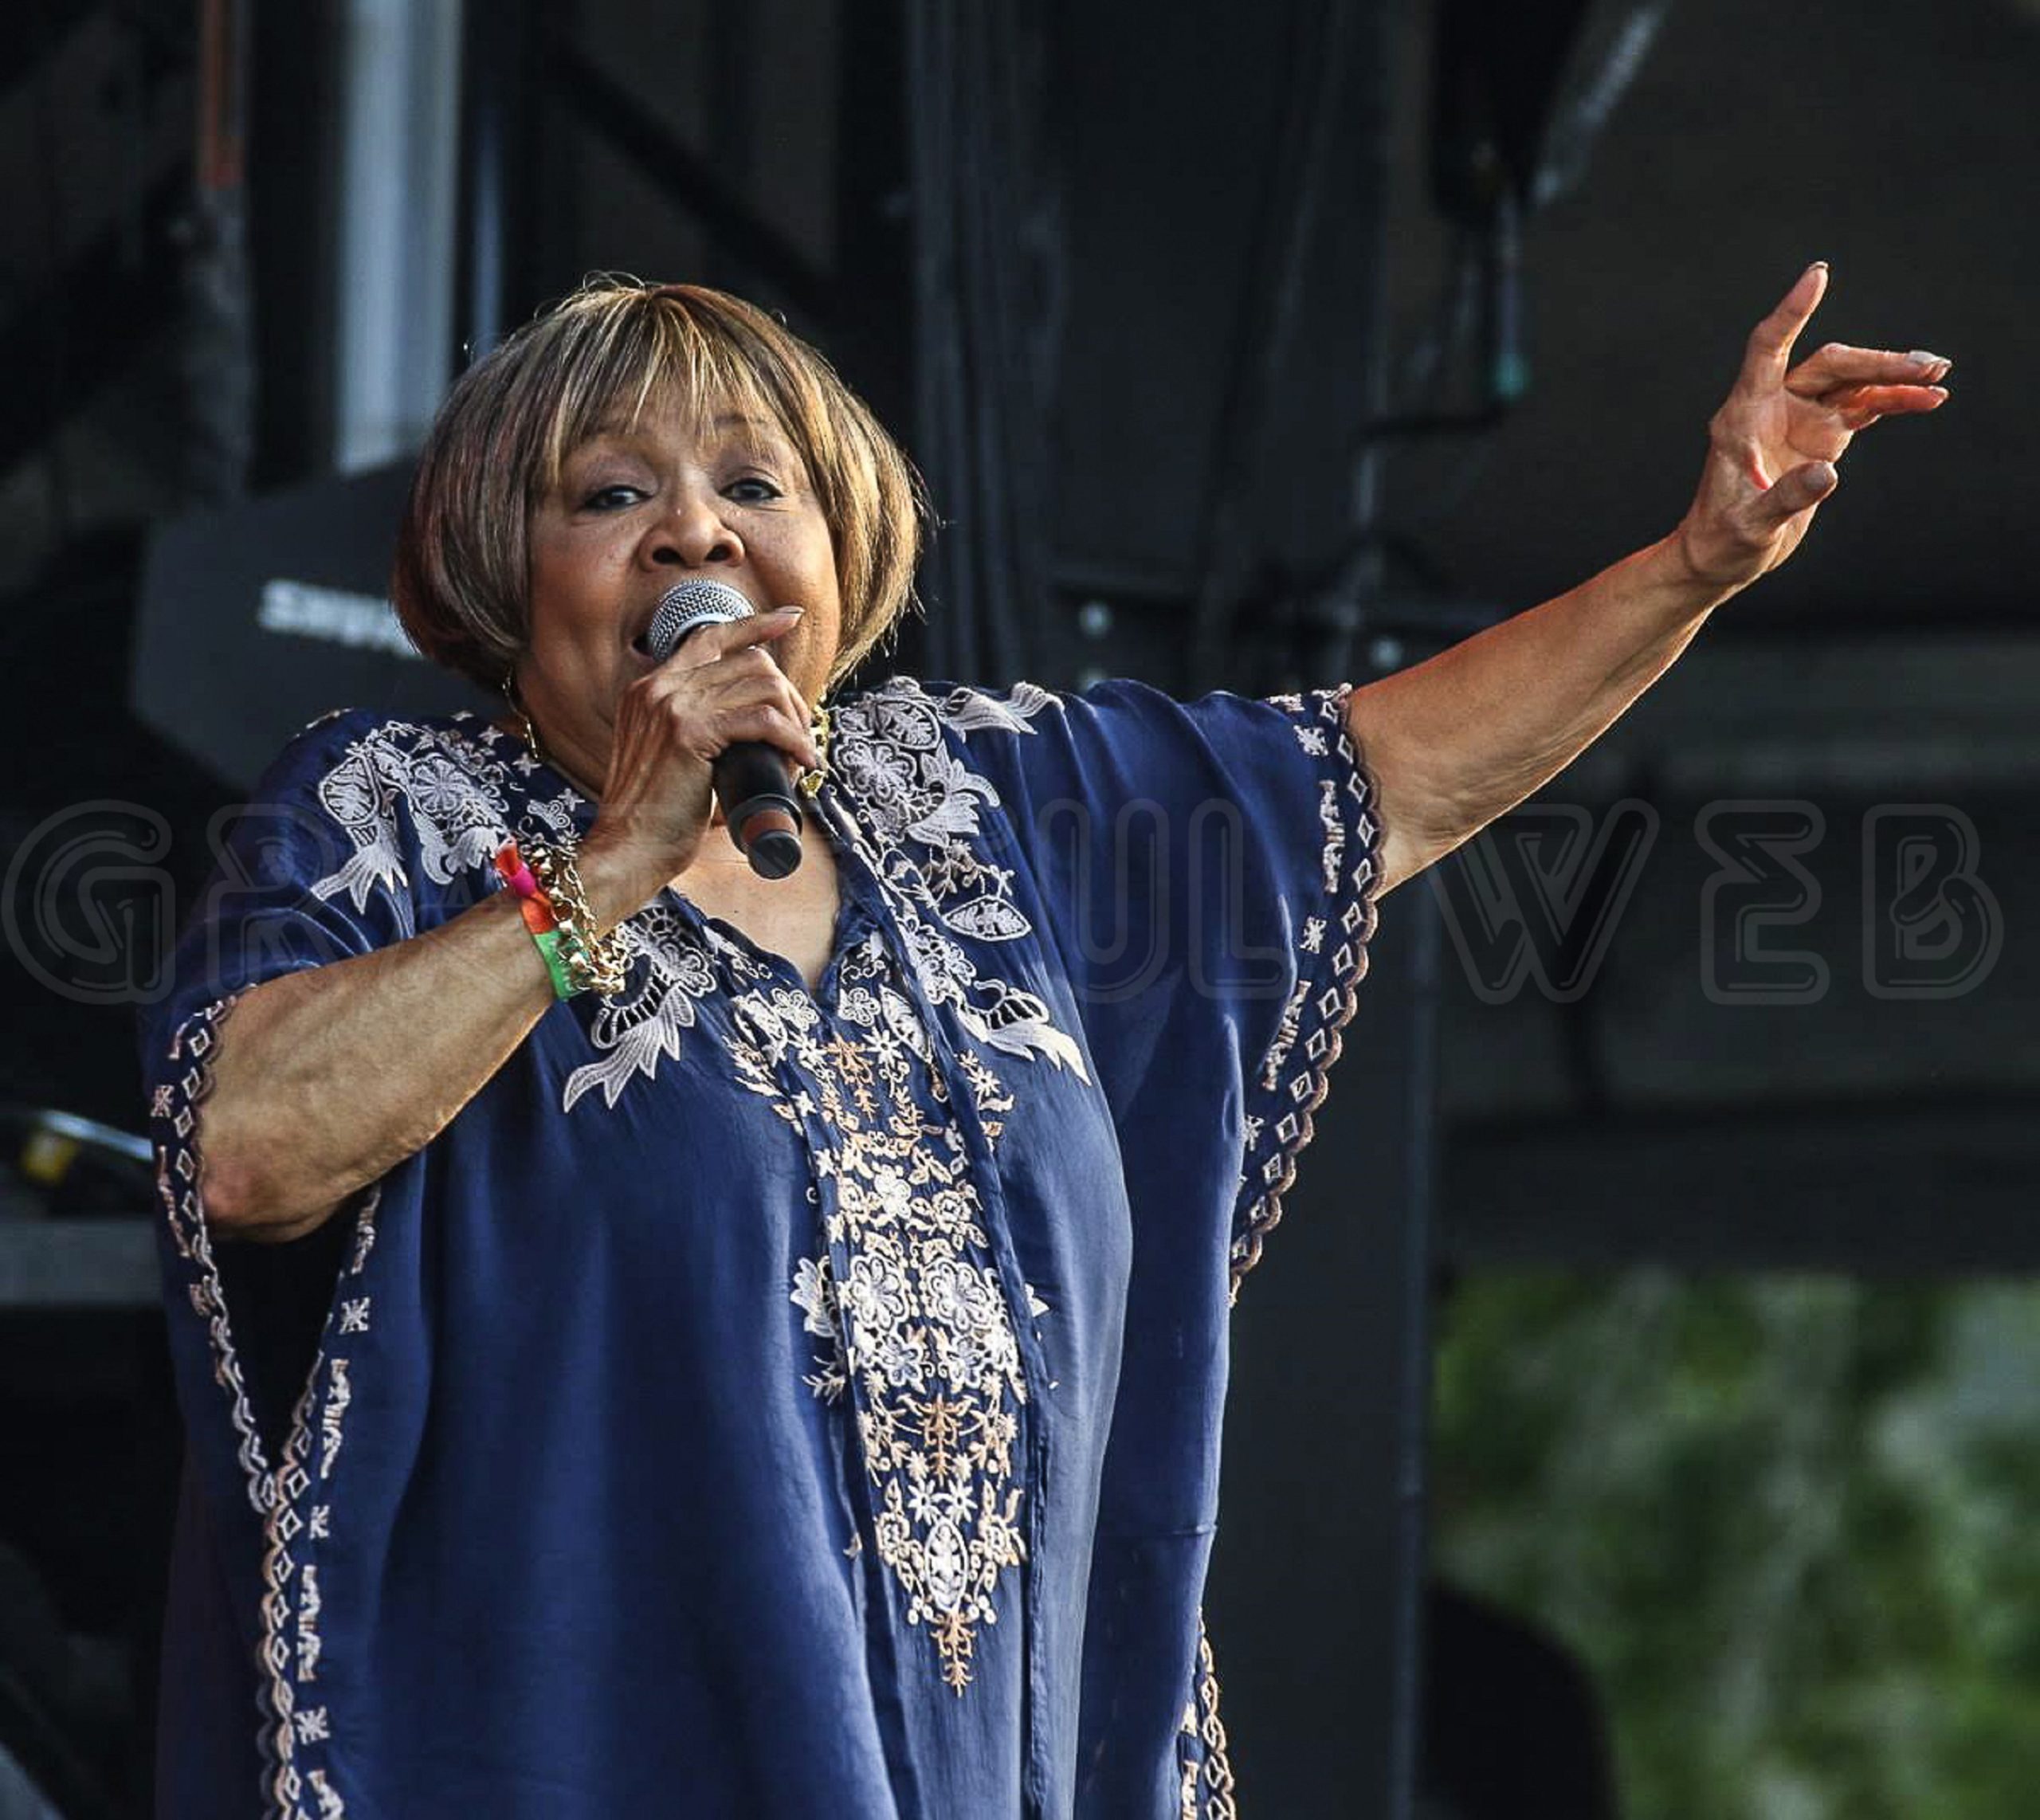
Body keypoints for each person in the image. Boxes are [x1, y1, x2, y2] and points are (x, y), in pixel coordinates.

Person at [142, 271, 1946, 1818]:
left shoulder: (998, 810)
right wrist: (609, 866)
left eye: (753, 483)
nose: (693, 530)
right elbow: (250, 1145)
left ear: (836, 557)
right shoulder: (397, 820)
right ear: (498, 575)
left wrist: (1692, 566)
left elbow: (1380, 778)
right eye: (610, 493)